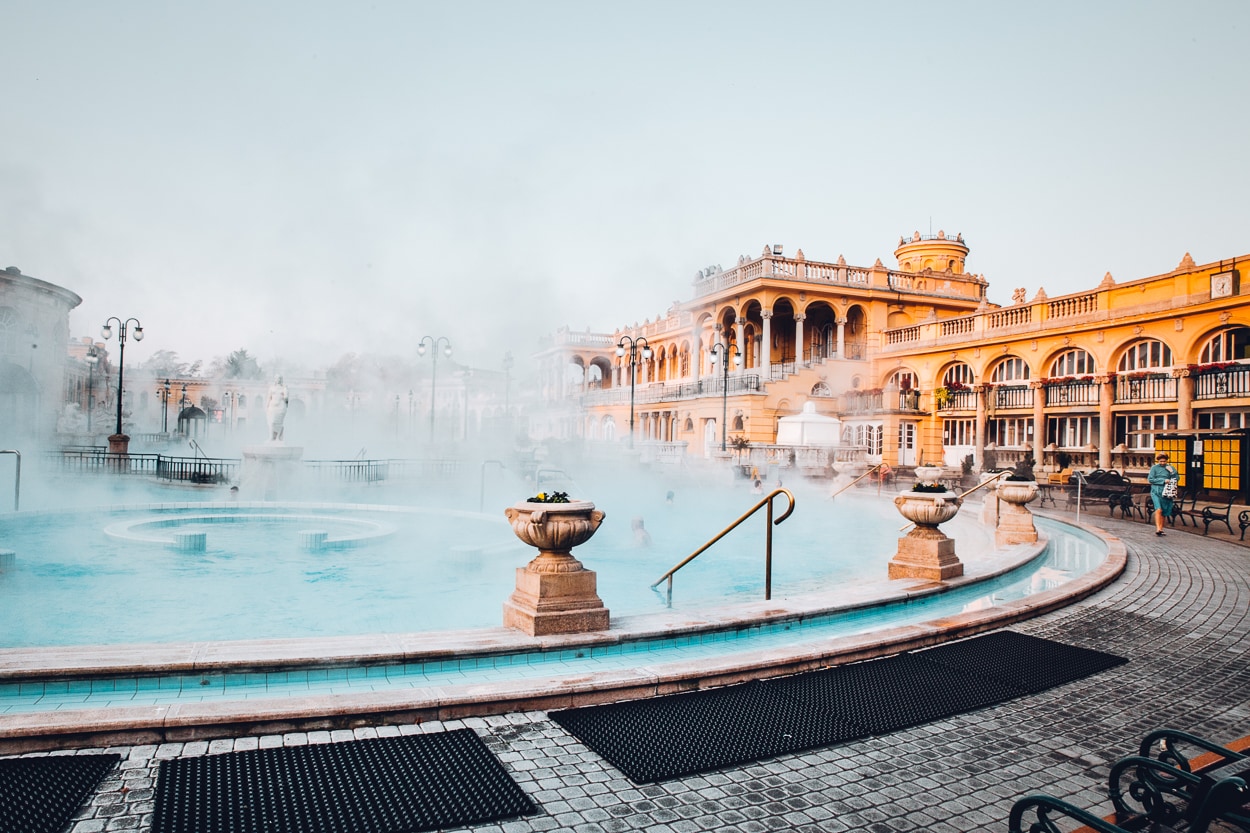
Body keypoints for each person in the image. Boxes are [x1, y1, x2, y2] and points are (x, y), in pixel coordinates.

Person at [1147, 452, 1179, 536]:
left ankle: (1161, 529)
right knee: (1158, 509)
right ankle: (1158, 528)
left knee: (1164, 511)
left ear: (1167, 461)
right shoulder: (1154, 468)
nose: (1162, 463)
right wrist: (1163, 480)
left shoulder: (1170, 468)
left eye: (1164, 461)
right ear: (1158, 461)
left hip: (1166, 492)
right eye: (1160, 461)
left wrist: (1172, 472)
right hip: (1156, 491)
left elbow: (1176, 478)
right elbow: (1150, 479)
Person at [265, 375, 289, 441]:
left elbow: (286, 399)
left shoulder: (284, 388)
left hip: (281, 407)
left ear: (281, 380)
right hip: (272, 407)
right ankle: (271, 437)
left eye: (279, 378)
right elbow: (269, 398)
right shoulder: (271, 388)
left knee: (279, 423)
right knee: (271, 422)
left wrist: (286, 394)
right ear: (275, 379)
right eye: (277, 378)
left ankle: (278, 437)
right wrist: (266, 406)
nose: (278, 380)